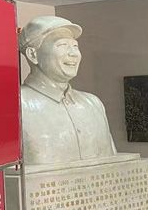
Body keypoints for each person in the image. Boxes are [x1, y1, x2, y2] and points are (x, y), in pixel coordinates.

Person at [18, 16, 117, 165]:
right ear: (33, 54)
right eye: (62, 45)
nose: (74, 53)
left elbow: (113, 163)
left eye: (75, 46)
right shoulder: (15, 106)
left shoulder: (93, 103)